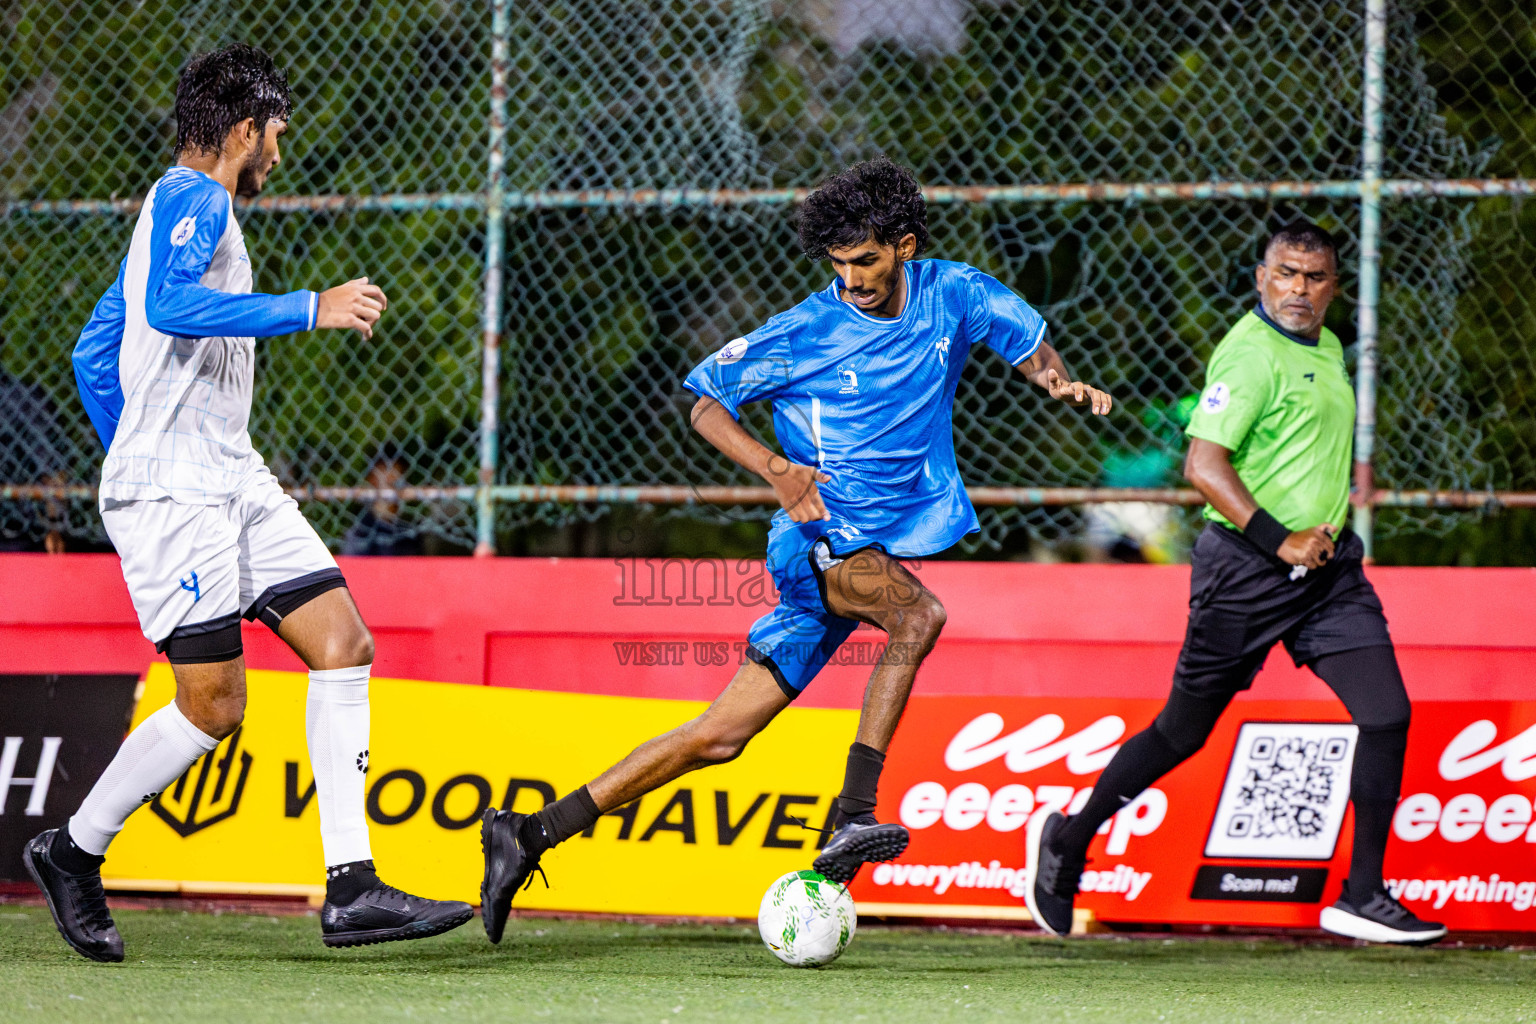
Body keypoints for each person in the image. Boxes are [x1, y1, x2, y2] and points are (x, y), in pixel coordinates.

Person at [478, 157, 1113, 943]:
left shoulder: (956, 293)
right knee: (918, 617)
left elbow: (1030, 345)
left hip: (865, 550)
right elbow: (705, 403)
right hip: (815, 537)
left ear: (905, 246)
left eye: (866, 260)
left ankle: (529, 833)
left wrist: (1057, 382)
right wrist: (775, 469)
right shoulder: (807, 330)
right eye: (838, 263)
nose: (851, 278)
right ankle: (854, 812)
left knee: (717, 737)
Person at [24, 44, 471, 963]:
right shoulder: (196, 197)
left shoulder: (176, 213)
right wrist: (310, 307)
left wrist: (137, 445)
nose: (278, 152)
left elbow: (93, 348)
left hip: (229, 474)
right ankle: (72, 851)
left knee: (343, 643)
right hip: (179, 491)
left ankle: (353, 888)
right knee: (214, 707)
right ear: (243, 130)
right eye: (276, 134)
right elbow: (169, 304)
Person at [1024, 220, 1446, 945]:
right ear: (1261, 278)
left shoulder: (1328, 347)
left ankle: (1362, 895)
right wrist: (1279, 538)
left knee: (1386, 715)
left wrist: (1318, 524)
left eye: (1314, 277)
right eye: (1286, 273)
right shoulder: (1249, 356)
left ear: (1334, 287)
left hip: (1327, 574)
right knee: (1182, 731)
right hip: (1248, 572)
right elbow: (1203, 466)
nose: (1298, 290)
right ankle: (1069, 838)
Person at [341, 446, 423, 556]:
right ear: (371, 478)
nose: (392, 477)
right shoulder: (360, 532)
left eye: (397, 473)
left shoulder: (408, 533)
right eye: (385, 470)